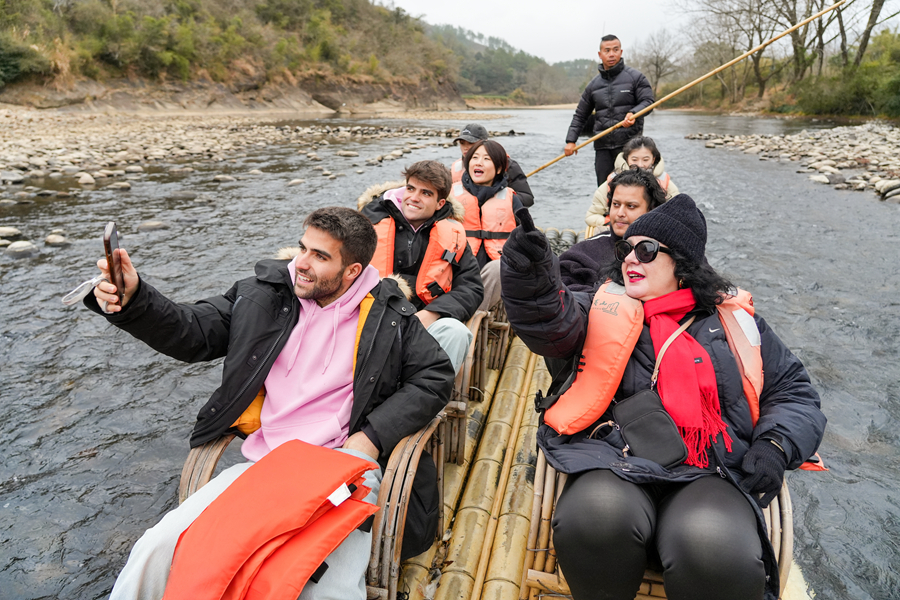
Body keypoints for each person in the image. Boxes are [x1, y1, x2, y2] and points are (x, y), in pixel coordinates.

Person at [84, 207, 455, 600]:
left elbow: (434, 376)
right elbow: (191, 330)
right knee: (157, 549)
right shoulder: (262, 295)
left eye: (320, 256)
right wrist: (135, 299)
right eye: (302, 248)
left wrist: (371, 437)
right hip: (266, 469)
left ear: (352, 271)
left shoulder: (392, 316)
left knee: (323, 590)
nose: (301, 264)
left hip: (346, 472)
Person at [500, 194, 826, 600]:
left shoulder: (737, 323)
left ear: (683, 264)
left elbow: (794, 392)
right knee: (596, 517)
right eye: (626, 249)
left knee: (712, 545)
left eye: (647, 250)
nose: (631, 259)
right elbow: (549, 319)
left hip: (712, 468)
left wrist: (775, 444)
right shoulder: (600, 306)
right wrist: (528, 271)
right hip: (614, 458)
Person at [359, 160, 483, 371]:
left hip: (422, 320)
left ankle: (429, 396)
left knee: (456, 332)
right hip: (369, 317)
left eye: (426, 193)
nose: (413, 198)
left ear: (440, 204)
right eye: (410, 188)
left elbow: (472, 288)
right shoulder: (367, 223)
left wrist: (432, 313)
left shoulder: (453, 235)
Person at [563, 35, 655, 186]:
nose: (612, 54)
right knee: (604, 190)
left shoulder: (635, 77)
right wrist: (571, 141)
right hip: (602, 147)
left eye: (615, 50)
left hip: (630, 147)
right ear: (600, 54)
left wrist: (634, 112)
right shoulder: (593, 85)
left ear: (621, 52)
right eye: (607, 50)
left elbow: (648, 102)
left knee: (632, 189)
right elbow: (580, 115)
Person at [560, 167, 668, 294]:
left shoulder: (667, 254)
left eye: (631, 206)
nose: (620, 213)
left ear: (651, 209)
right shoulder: (584, 253)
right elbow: (559, 289)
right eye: (616, 204)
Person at [450, 139, 528, 312]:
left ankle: (471, 314)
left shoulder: (511, 198)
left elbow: (527, 238)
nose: (478, 162)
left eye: (486, 159)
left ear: (499, 168)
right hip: (458, 265)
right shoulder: (450, 195)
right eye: (475, 157)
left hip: (492, 267)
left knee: (499, 268)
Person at [584, 135, 680, 229]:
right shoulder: (611, 183)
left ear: (653, 159)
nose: (640, 165)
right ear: (626, 159)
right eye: (634, 159)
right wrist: (612, 224)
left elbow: (678, 215)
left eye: (645, 160)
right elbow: (591, 216)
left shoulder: (666, 184)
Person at [452, 122, 535, 207]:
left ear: (484, 143)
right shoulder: (456, 167)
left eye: (471, 143)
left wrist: (503, 198)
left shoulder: (508, 165)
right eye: (462, 143)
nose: (466, 147)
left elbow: (528, 199)